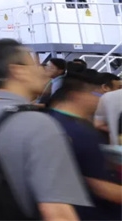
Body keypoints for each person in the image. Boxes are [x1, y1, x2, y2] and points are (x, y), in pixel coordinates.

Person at [0, 39, 91, 220]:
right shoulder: (38, 125)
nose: (41, 70)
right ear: (18, 71)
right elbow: (57, 213)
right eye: (35, 64)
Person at [49, 67, 122, 220]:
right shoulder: (82, 133)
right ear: (77, 95)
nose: (100, 99)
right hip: (97, 213)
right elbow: (103, 187)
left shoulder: (51, 120)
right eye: (97, 95)